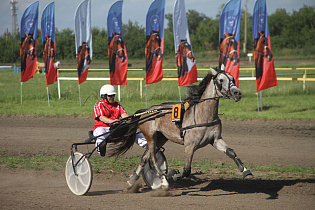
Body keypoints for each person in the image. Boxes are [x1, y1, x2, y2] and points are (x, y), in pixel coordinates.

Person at [93, 84, 148, 155]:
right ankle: (100, 149)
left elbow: (124, 115)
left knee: (133, 130)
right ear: (104, 96)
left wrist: (130, 118)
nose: (112, 97)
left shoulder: (117, 105)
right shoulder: (99, 104)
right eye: (110, 96)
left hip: (115, 128)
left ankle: (148, 146)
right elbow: (101, 117)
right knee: (100, 134)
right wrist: (113, 121)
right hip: (102, 128)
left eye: (113, 95)